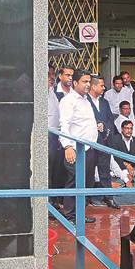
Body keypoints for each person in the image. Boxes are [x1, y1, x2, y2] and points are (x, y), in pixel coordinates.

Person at [58, 69, 97, 223]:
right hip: (75, 149)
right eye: (84, 81)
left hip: (89, 148)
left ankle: (79, 214)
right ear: (75, 83)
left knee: (85, 182)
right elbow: (64, 125)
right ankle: (69, 216)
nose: (88, 85)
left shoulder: (86, 100)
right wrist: (67, 147)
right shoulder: (68, 101)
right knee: (74, 182)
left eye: (89, 82)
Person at [87, 74, 119, 208]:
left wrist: (105, 127)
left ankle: (108, 197)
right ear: (93, 86)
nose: (104, 88)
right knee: (89, 172)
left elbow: (110, 120)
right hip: (90, 143)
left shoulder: (104, 102)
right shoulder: (84, 101)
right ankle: (89, 197)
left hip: (104, 141)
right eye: (101, 85)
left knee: (105, 171)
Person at [108, 119, 135, 188]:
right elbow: (115, 158)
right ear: (122, 129)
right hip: (120, 169)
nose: (129, 131)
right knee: (120, 184)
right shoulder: (115, 139)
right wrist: (127, 166)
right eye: (127, 128)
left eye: (131, 128)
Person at [48, 64, 65, 207]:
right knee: (47, 170)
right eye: (48, 74)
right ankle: (47, 203)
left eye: (53, 74)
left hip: (56, 137)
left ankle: (53, 201)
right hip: (46, 136)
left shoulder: (53, 92)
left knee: (55, 170)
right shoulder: (39, 93)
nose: (51, 77)